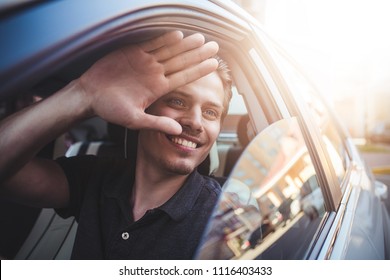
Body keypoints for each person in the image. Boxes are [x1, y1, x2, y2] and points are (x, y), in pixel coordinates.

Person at [0, 31, 233, 259]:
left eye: (210, 112)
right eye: (178, 101)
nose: (195, 122)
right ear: (144, 106)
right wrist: (83, 94)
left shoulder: (224, 218)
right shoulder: (97, 178)